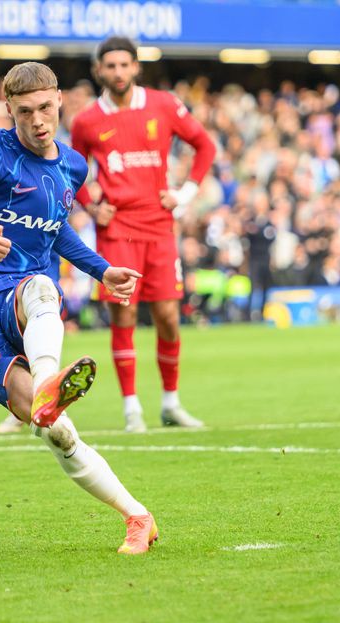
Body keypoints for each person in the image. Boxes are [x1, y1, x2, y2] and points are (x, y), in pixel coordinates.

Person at [0, 62, 157, 555]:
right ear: (9, 109)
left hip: (23, 290)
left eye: (46, 109)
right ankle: (134, 508)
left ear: (60, 102)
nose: (38, 121)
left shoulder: (73, 165)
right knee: (54, 429)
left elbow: (57, 229)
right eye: (26, 111)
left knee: (40, 288)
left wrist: (102, 270)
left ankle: (135, 515)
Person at [69, 37, 216, 433]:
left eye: (124, 65)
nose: (117, 72)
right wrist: (90, 204)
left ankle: (171, 403)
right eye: (110, 65)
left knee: (168, 315)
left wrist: (184, 194)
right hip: (116, 230)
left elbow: (204, 145)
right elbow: (72, 169)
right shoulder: (86, 121)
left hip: (158, 225)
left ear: (136, 68)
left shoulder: (164, 105)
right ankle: (132, 408)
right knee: (125, 313)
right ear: (99, 70)